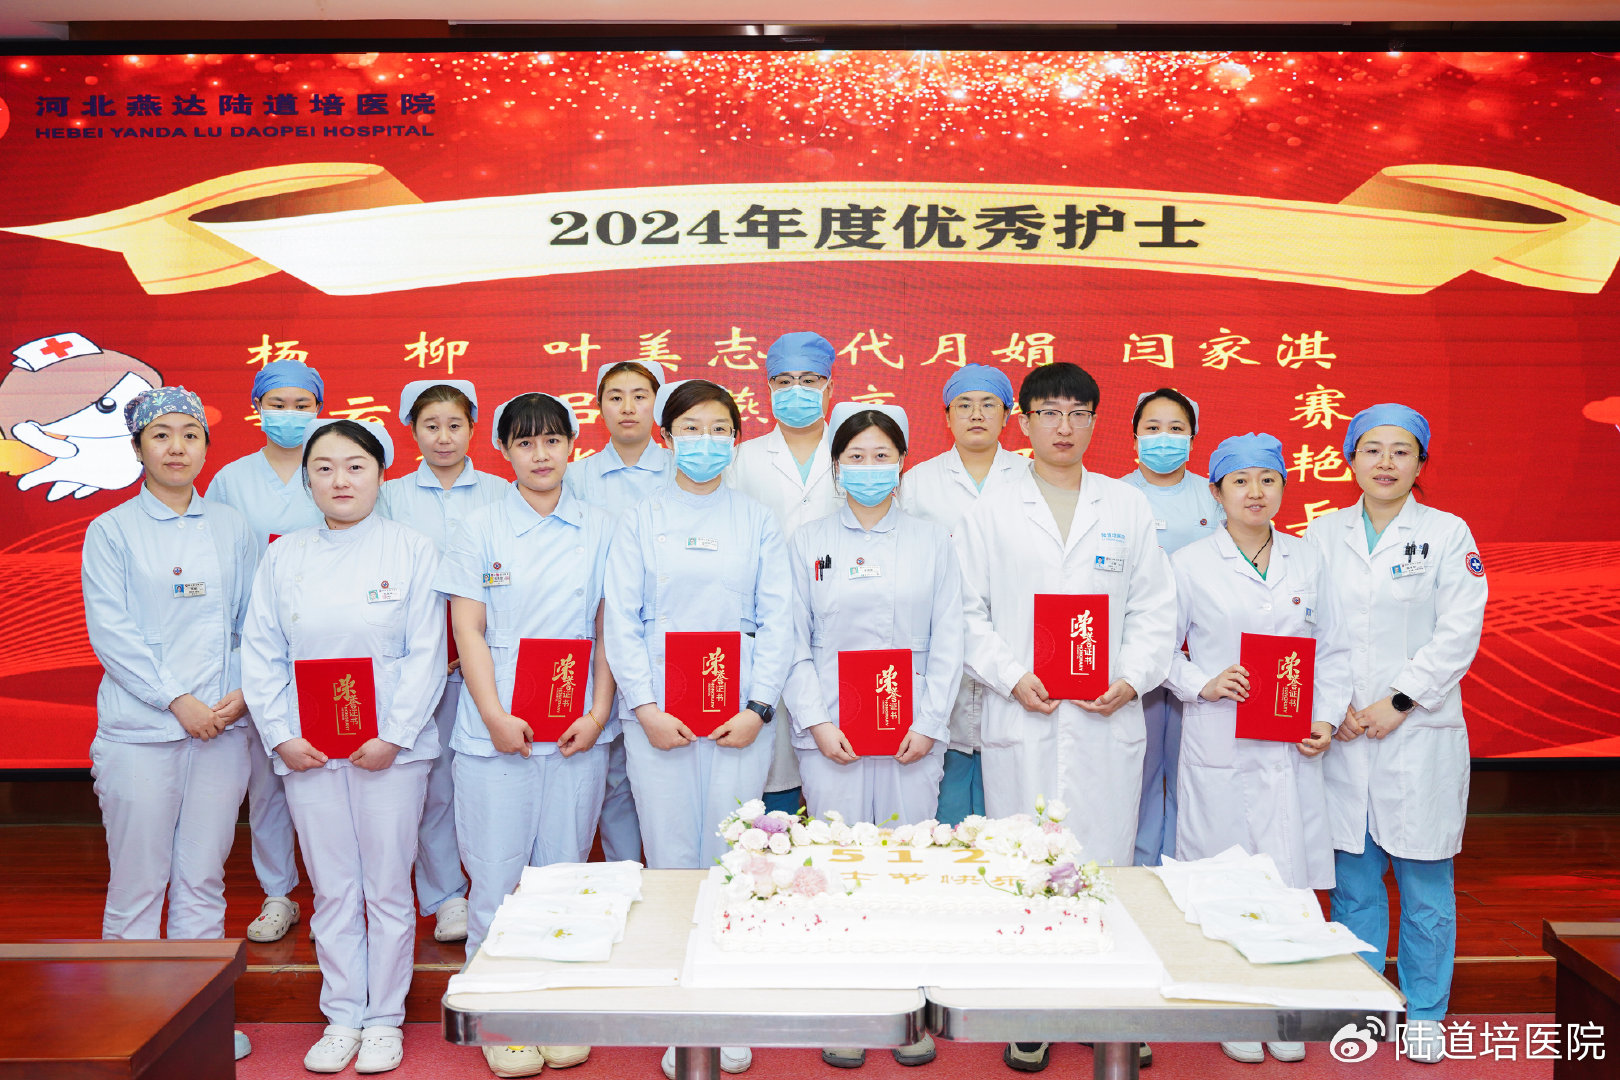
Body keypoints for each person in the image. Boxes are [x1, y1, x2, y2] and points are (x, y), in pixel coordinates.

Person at [954, 362, 1175, 1075]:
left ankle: (1110, 1010)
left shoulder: (1126, 506)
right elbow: (966, 613)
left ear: (1095, 423)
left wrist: (1131, 678)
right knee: (1026, 861)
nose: (1063, 426)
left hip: (1105, 716)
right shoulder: (991, 511)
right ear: (1023, 421)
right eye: (1049, 412)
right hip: (1023, 713)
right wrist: (1011, 675)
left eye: (1078, 413)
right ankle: (1032, 1010)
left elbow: (1155, 609)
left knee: (1105, 860)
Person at [241, 418, 446, 1076]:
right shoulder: (284, 556)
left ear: (381, 474)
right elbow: (262, 652)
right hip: (308, 751)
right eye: (324, 468)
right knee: (332, 888)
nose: (340, 480)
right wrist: (282, 735)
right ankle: (341, 1015)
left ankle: (383, 1018)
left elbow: (426, 652)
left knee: (385, 887)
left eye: (355, 466)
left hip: (389, 751)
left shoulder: (412, 549)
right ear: (307, 482)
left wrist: (394, 735)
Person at [604, 379, 792, 1080]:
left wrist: (759, 707)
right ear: (666, 437)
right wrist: (646, 708)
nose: (704, 442)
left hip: (738, 714)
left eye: (718, 429)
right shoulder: (640, 518)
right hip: (661, 717)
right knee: (672, 858)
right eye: (690, 428)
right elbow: (621, 619)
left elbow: (779, 617)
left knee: (734, 856)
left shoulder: (757, 519)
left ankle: (730, 1008)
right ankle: (680, 1011)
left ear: (735, 441)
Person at [437, 392, 617, 1078]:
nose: (540, 455)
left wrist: (597, 713)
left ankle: (556, 1011)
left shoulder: (603, 527)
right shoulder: (479, 526)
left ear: (572, 445)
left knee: (564, 876)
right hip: (497, 728)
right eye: (524, 442)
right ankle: (501, 1016)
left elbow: (609, 628)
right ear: (504, 450)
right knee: (496, 876)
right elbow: (468, 628)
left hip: (576, 729)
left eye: (551, 440)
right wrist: (492, 715)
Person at [1305, 404, 1487, 1066]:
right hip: (1347, 732)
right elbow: (1308, 626)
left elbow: (1459, 630)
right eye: (1372, 449)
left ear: (1420, 463)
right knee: (1353, 886)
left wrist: (1400, 700)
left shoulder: (1447, 533)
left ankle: (1426, 1011)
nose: (1385, 463)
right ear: (1349, 459)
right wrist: (1338, 707)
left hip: (1419, 732)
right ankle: (1361, 1005)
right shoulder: (1321, 534)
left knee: (1426, 887)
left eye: (1401, 451)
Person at [81, 387, 258, 1062]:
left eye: (190, 433)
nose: (177, 447)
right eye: (161, 435)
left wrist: (239, 696)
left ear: (207, 446)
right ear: (137, 449)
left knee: (202, 880)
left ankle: (197, 1022)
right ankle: (131, 1024)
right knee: (138, 882)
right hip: (143, 731)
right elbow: (113, 632)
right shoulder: (112, 531)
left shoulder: (234, 527)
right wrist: (177, 700)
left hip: (223, 727)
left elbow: (255, 621)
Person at [1163, 432, 1351, 1066]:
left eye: (1267, 480)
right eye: (1240, 481)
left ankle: (1283, 1007)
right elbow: (1158, 649)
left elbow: (1334, 650)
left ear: (1282, 489)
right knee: (1225, 876)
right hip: (1220, 738)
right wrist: (1203, 682)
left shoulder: (1308, 558)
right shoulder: (1190, 563)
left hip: (1290, 746)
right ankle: (1232, 1005)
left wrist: (1325, 717)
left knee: (1288, 879)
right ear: (1215, 492)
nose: (1255, 492)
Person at [785, 401, 961, 1070]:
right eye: (855, 457)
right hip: (833, 731)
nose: (868, 467)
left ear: (902, 464)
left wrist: (930, 721)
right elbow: (792, 641)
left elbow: (950, 637)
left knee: (907, 865)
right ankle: (846, 1005)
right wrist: (816, 720)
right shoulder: (806, 541)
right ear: (836, 467)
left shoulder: (931, 539)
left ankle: (907, 1008)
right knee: (838, 865)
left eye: (881, 456)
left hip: (912, 730)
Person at [377, 380, 505, 946]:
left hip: (490, 661)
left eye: (455, 425)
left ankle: (495, 887)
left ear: (473, 428)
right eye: (431, 426)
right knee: (432, 782)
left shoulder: (502, 491)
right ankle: (446, 895)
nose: (444, 437)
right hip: (419, 663)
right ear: (412, 431)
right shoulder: (391, 496)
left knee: (487, 780)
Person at [205, 359, 326, 945]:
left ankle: (335, 893)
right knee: (267, 782)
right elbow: (218, 569)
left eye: (303, 405)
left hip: (328, 650)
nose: (290, 415)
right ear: (256, 408)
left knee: (329, 776)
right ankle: (279, 893)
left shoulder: (333, 466)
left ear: (320, 409)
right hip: (258, 650)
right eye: (278, 404)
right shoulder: (231, 480)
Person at [897, 364, 1025, 827]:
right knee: (946, 782)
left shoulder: (1029, 476)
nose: (976, 414)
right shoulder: (918, 482)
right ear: (946, 416)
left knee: (1009, 784)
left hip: (1011, 640)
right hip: (941, 640)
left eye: (989, 404)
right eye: (964, 405)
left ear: (1008, 416)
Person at [725, 331, 842, 816]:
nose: (797, 390)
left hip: (841, 626)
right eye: (785, 380)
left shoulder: (855, 452)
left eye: (810, 380)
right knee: (772, 764)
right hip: (766, 627)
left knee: (840, 754)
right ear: (768, 388)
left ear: (830, 387)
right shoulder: (743, 459)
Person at [565, 359, 673, 866]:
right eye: (615, 396)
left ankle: (673, 876)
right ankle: (626, 874)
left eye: (640, 396)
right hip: (600, 637)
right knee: (609, 773)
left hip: (672, 640)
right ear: (599, 406)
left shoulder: (681, 469)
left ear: (658, 404)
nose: (628, 407)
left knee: (666, 765)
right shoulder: (576, 476)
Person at [1119, 388, 1223, 867]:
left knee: (1192, 771)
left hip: (1199, 657)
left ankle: (1185, 871)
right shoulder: (1115, 497)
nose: (1164, 438)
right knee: (1135, 770)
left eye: (1176, 429)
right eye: (1153, 428)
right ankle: (1139, 871)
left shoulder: (1216, 496)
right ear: (1134, 437)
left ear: (1193, 439)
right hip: (1132, 654)